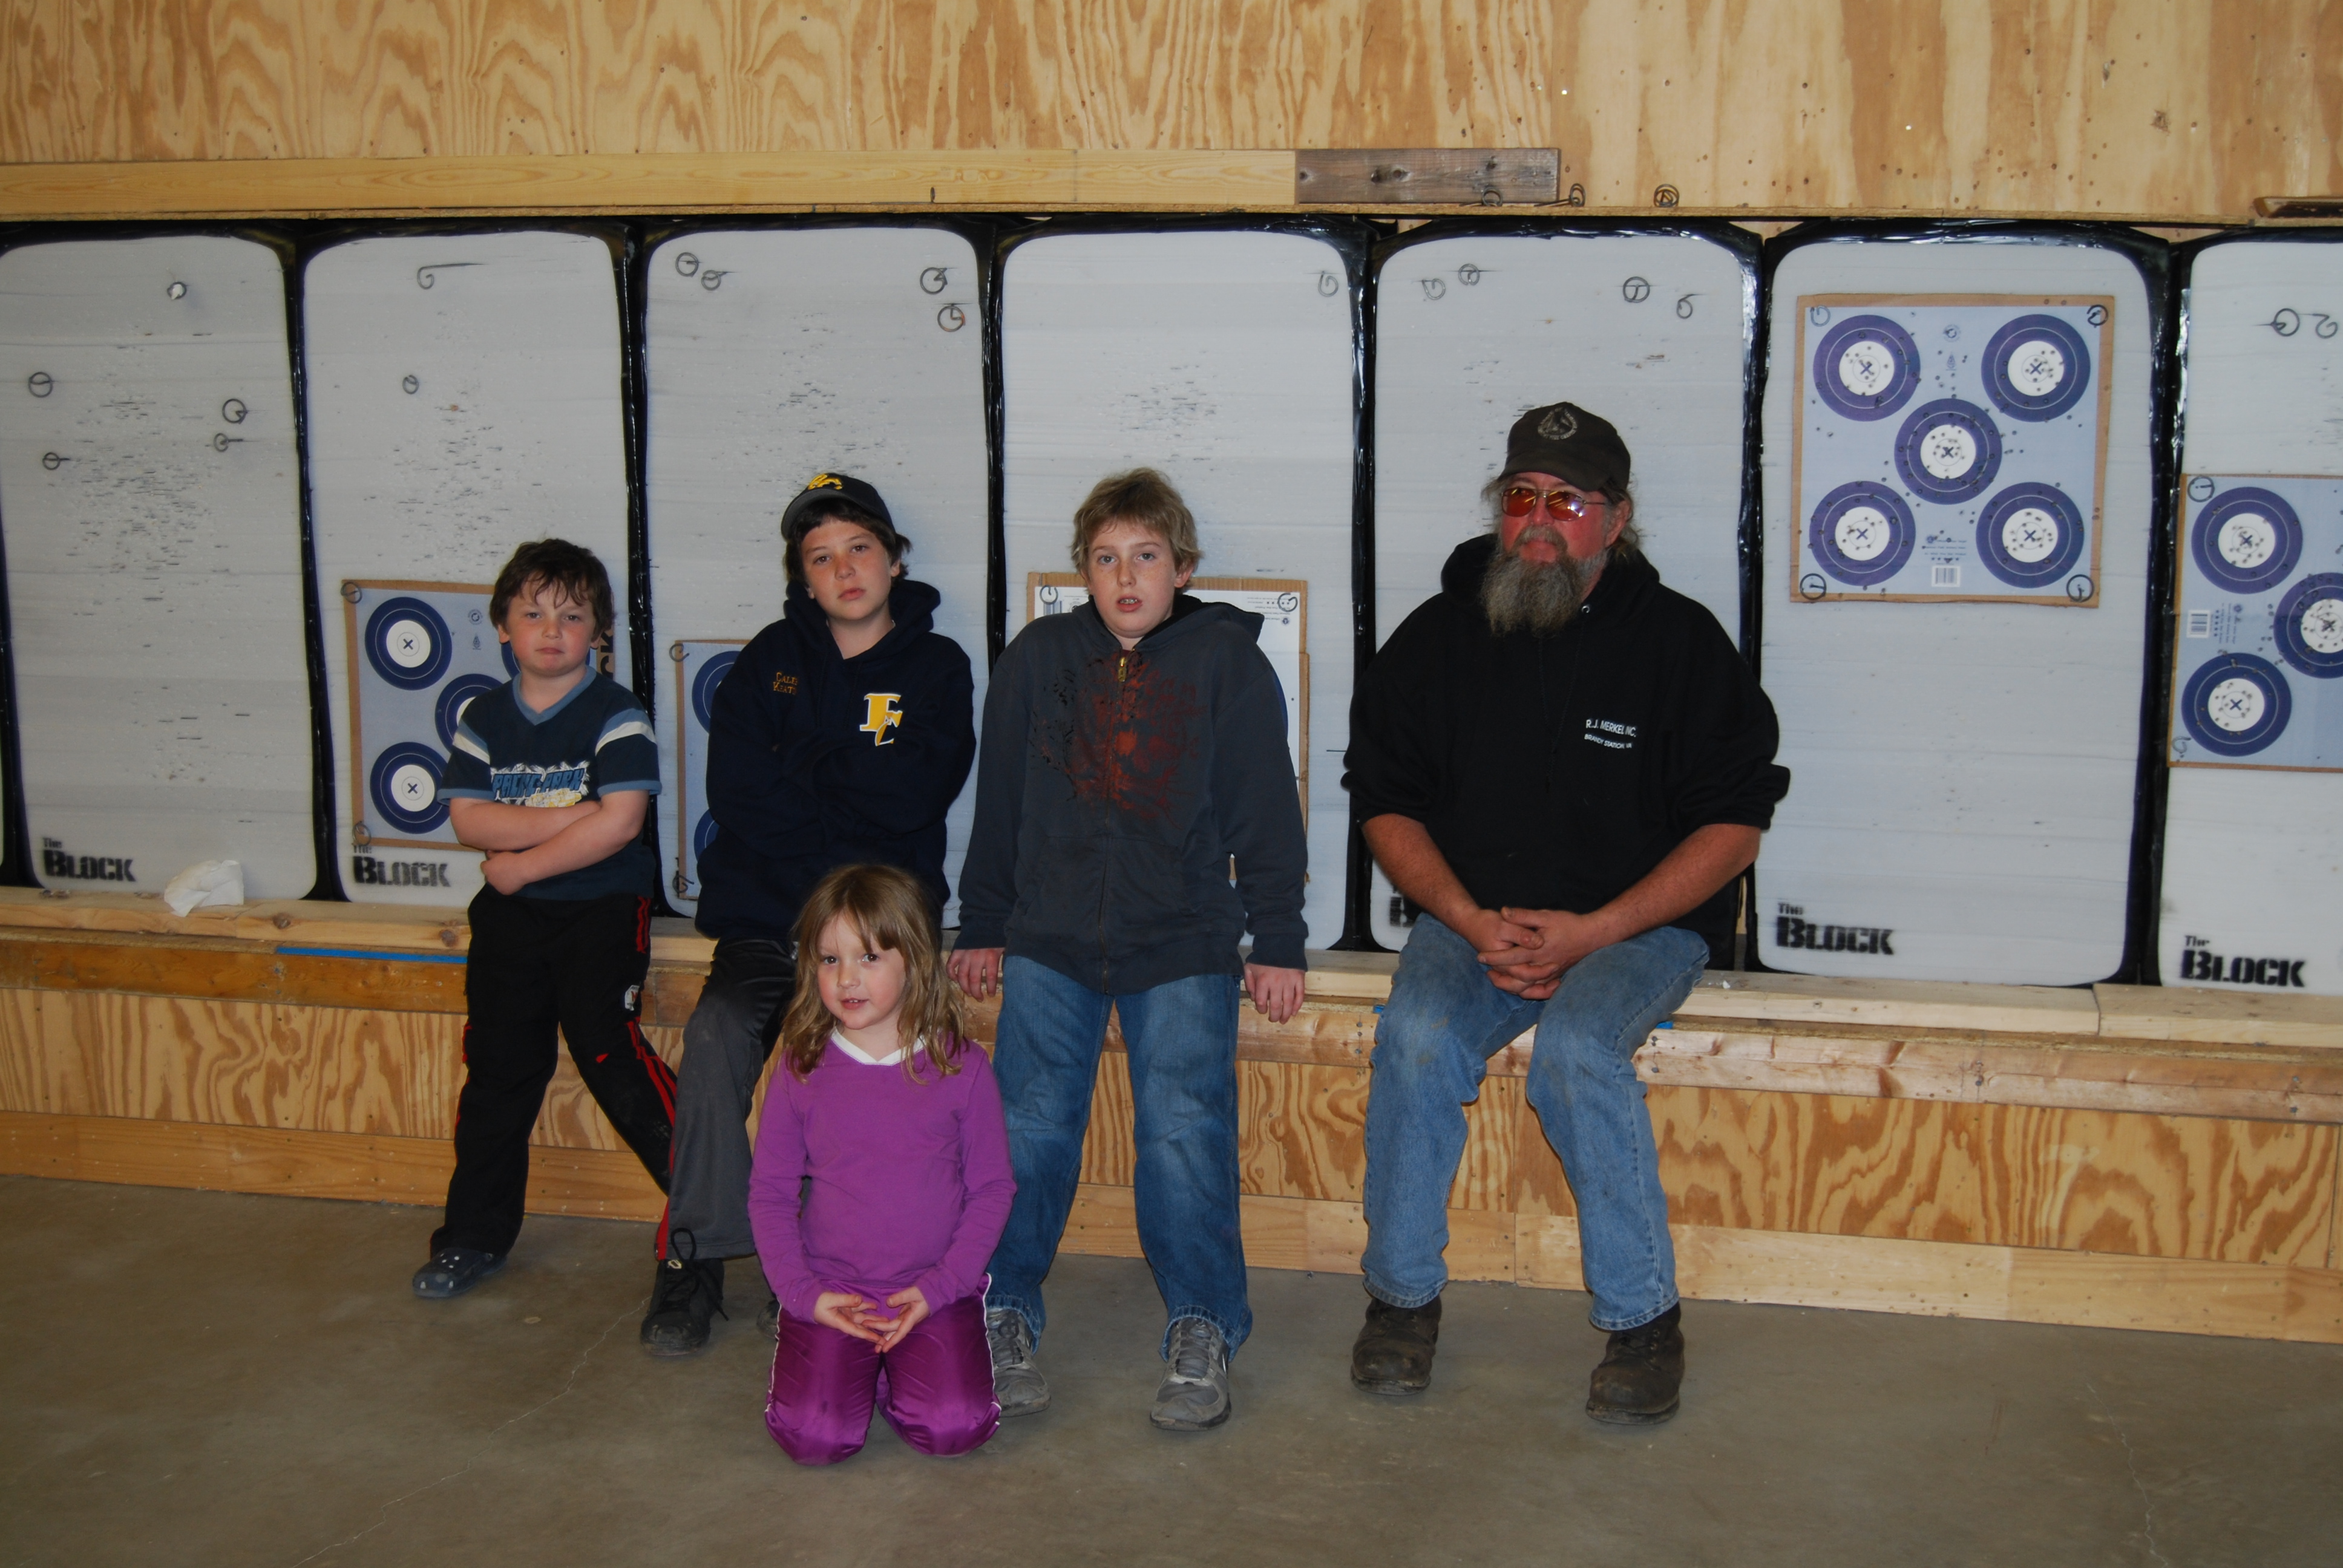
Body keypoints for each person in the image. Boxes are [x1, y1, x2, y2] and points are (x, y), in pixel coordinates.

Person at [1343, 402, 1790, 1424]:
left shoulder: (1680, 643)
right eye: (1522, 497)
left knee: (1579, 1051)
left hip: (1635, 928)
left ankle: (1643, 1323)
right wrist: (1468, 918)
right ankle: (1400, 1303)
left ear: (1616, 519)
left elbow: (1734, 829)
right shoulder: (1437, 637)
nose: (1539, 520)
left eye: (1568, 501)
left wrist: (1594, 932)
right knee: (1415, 1037)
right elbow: (1384, 803)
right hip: (1476, 921)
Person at [950, 468, 1308, 1431]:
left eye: (1145, 556)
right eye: (1105, 559)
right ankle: (1000, 1313)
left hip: (1183, 941)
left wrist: (1278, 937)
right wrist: (983, 921)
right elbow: (1001, 801)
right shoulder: (1038, 658)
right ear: (1084, 573)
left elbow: (1265, 810)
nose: (1125, 577)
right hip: (1049, 939)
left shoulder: (1228, 665)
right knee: (1027, 1128)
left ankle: (1203, 1326)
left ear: (1182, 569)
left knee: (1183, 1132)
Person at [642, 474, 976, 1354]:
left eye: (860, 548)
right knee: (716, 1033)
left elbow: (914, 795)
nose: (845, 569)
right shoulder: (769, 661)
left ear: (894, 560)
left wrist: (806, 764)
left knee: (874, 1078)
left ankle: (855, 1266)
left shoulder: (937, 668)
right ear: (803, 577)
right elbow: (739, 795)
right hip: (770, 922)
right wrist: (850, 786)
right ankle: (693, 1259)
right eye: (821, 557)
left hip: (879, 941)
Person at [412, 538, 673, 1299]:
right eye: (533, 615)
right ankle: (471, 1237)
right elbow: (469, 820)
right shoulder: (484, 716)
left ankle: (717, 1199)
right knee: (498, 1073)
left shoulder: (616, 712)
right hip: (511, 924)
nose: (552, 631)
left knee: (609, 1054)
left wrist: (524, 863)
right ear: (503, 626)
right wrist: (575, 816)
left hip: (600, 911)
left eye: (572, 616)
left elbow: (621, 826)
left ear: (600, 634)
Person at [748, 863, 1014, 1465]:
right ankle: (841, 1368)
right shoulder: (800, 1068)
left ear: (913, 961)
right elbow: (770, 1193)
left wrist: (941, 1287)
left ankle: (894, 1374)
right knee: (813, 1439)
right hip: (833, 1290)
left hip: (930, 1289)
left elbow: (993, 1189)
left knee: (956, 1428)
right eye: (829, 959)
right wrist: (803, 1295)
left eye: (868, 957)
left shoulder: (962, 1068)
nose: (846, 978)